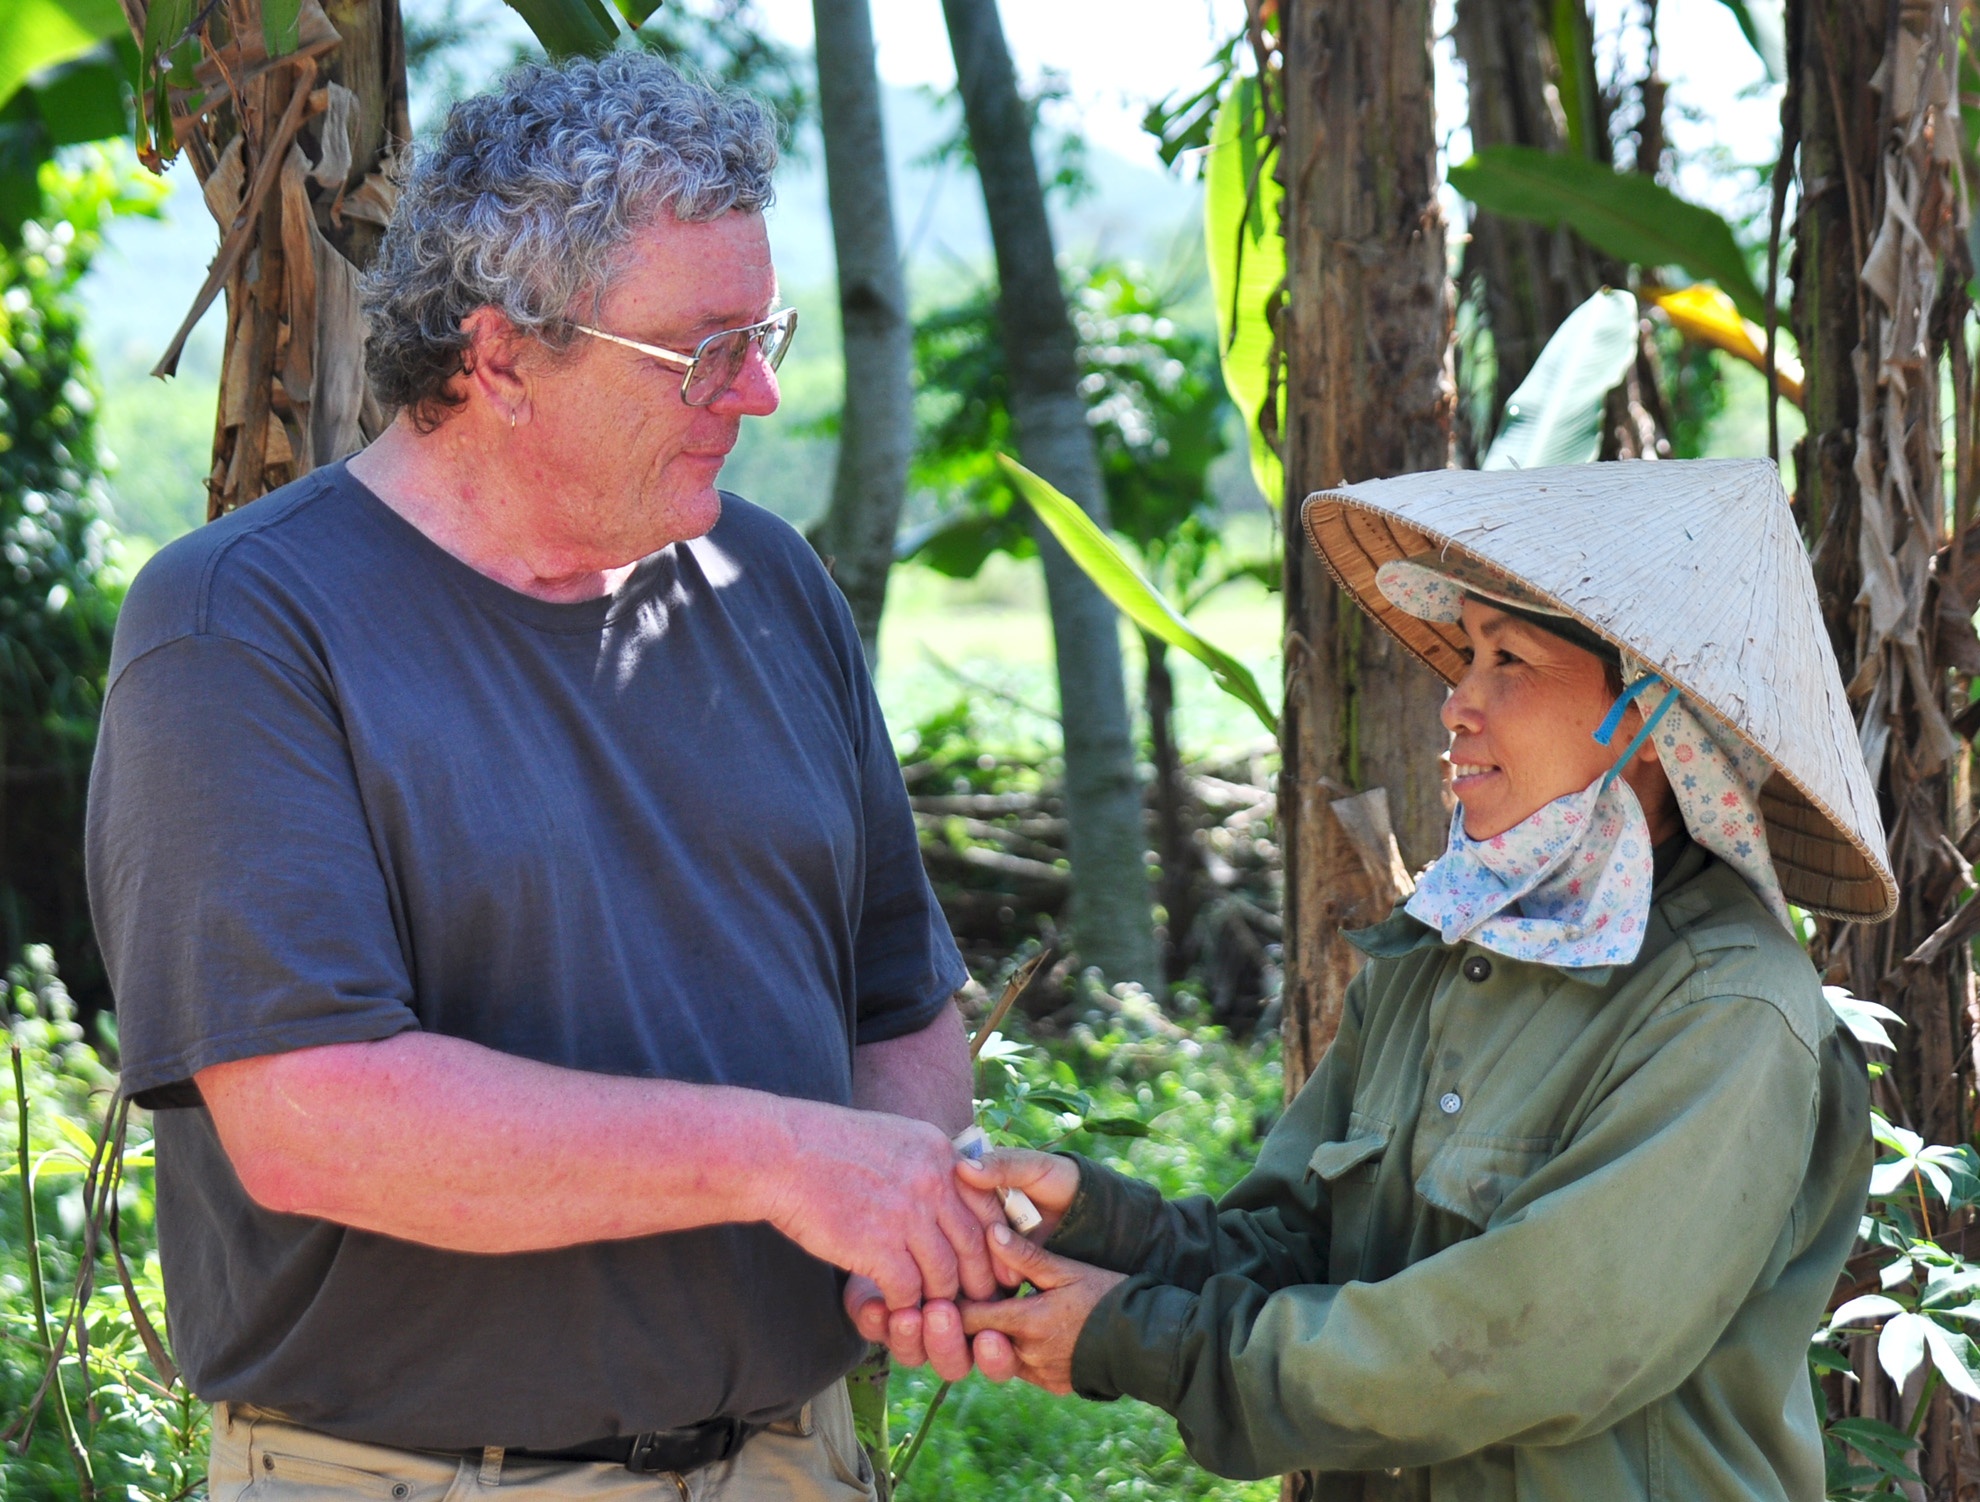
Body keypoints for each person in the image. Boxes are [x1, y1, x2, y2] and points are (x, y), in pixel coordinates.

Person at [86, 54, 996, 1500]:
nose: (754, 392)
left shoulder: (769, 578)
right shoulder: (240, 625)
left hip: (796, 1458)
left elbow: (899, 1004)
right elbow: (318, 1119)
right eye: (699, 348)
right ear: (498, 357)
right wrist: (788, 1161)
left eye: (763, 332)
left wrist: (898, 1204)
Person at [947, 460, 1888, 1500]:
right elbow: (1301, 1240)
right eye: (1467, 654)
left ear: (1652, 726)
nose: (1458, 703)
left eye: (1510, 661)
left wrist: (1145, 1341)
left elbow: (1524, 1341)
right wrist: (1105, 1223)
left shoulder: (1726, 1010)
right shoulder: (1447, 945)